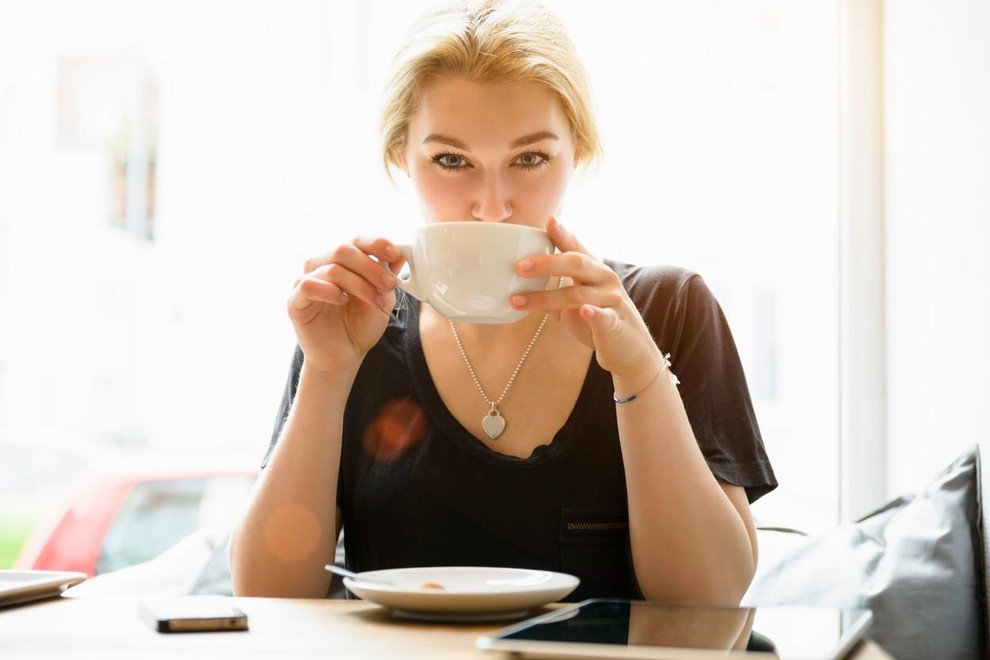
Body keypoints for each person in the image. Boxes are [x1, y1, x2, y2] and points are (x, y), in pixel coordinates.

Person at [229, 0, 776, 605]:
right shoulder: (357, 324)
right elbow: (266, 595)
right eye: (452, 161)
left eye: (530, 158)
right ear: (400, 160)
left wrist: (639, 372)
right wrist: (328, 374)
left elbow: (709, 601)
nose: (492, 205)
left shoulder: (666, 309)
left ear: (579, 155)